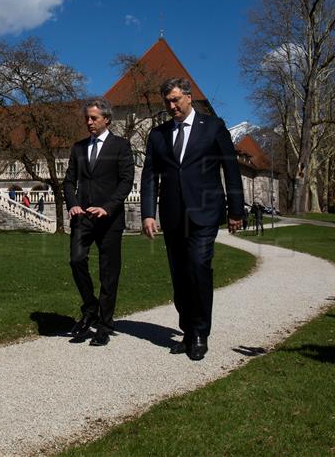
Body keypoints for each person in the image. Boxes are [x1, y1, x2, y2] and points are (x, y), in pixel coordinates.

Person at [141, 78, 244, 361]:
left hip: (205, 212)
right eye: (167, 102)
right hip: (173, 214)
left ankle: (200, 332)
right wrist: (148, 213)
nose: (171, 106)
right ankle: (187, 330)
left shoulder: (213, 126)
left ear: (189, 97)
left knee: (198, 267)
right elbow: (149, 175)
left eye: (176, 100)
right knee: (180, 275)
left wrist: (236, 210)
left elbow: (231, 168)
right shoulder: (158, 135)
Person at [64, 97, 134, 347]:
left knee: (108, 273)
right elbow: (69, 180)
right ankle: (90, 307)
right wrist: (72, 204)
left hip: (110, 219)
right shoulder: (78, 147)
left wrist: (107, 207)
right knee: (76, 260)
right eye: (87, 118)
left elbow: (126, 181)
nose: (89, 122)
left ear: (106, 119)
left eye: (94, 118)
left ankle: (104, 324)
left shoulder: (121, 146)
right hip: (83, 217)